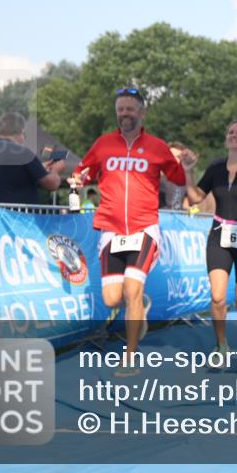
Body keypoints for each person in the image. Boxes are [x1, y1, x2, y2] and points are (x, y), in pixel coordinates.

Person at [71, 87, 188, 377]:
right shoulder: (103, 144)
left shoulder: (157, 146)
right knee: (113, 299)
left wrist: (184, 166)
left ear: (141, 112)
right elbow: (82, 172)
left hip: (143, 226)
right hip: (110, 227)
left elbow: (177, 178)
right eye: (121, 109)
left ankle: (130, 357)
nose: (125, 114)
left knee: (133, 290)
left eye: (130, 109)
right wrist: (75, 177)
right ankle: (138, 307)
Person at [181, 120, 237, 364]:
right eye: (230, 132)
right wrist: (188, 171)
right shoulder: (217, 167)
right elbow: (196, 198)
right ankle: (221, 346)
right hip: (219, 235)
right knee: (217, 298)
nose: (234, 135)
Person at [0, 113, 64, 204]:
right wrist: (56, 169)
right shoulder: (23, 153)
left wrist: (39, 166)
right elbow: (52, 184)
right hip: (19, 216)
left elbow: (11, 174)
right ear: (21, 132)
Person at [160, 141, 189, 210]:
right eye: (171, 157)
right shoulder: (152, 180)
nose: (174, 160)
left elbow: (189, 206)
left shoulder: (186, 184)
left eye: (178, 157)